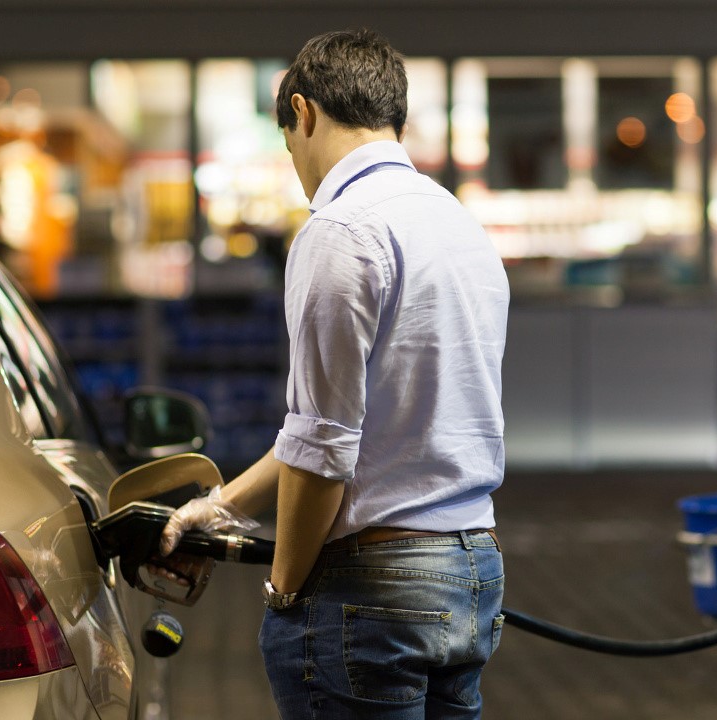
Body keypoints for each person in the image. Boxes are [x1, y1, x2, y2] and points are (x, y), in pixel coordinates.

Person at [157, 28, 511, 719]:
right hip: (471, 572)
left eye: (288, 140)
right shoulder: (458, 224)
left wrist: (285, 589)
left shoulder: (341, 229)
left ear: (304, 112)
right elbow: (361, 428)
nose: (295, 161)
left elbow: (325, 448)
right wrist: (224, 506)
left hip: (372, 588)